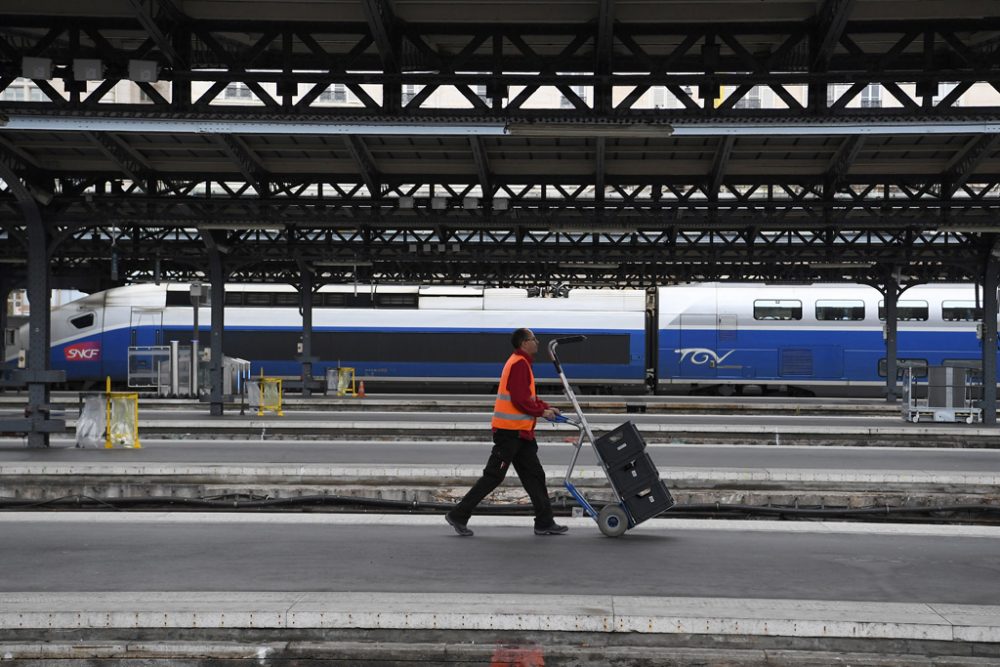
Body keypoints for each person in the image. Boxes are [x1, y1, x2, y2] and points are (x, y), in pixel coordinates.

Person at [445, 328, 569, 537]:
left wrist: (547, 406)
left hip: (521, 435)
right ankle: (459, 515)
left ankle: (544, 522)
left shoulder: (522, 363)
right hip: (510, 435)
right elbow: (519, 400)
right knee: (493, 476)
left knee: (535, 477)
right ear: (523, 343)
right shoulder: (519, 364)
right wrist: (542, 412)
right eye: (533, 339)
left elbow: (527, 398)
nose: (537, 342)